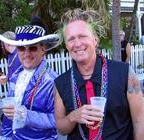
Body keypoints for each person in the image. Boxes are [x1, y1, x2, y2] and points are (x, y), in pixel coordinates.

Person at [54, 8, 144, 140]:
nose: (77, 43)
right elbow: (61, 129)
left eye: (82, 36)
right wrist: (73, 117)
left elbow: (140, 121)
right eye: (71, 39)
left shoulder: (125, 74)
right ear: (67, 45)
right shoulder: (61, 83)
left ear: (95, 40)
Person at [0, 23, 60, 139]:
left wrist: (25, 115)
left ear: (42, 50)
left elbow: (57, 120)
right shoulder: (16, 76)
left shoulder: (52, 81)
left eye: (32, 47)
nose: (26, 53)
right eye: (21, 48)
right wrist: (5, 136)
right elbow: (10, 114)